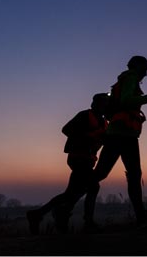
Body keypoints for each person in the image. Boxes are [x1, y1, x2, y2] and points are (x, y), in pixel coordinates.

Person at [90, 56, 147, 226]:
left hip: (123, 134)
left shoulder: (127, 79)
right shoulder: (130, 78)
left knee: (128, 174)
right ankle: (64, 205)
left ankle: (141, 216)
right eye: (145, 66)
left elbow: (124, 104)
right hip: (121, 135)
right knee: (120, 174)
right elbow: (126, 100)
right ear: (136, 66)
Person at [26, 93, 109, 234]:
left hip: (88, 161)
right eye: (104, 103)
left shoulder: (103, 122)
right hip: (78, 158)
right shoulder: (84, 115)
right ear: (95, 104)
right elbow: (66, 130)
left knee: (70, 194)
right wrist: (88, 135)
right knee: (93, 186)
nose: (105, 106)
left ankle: (38, 214)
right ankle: (88, 222)